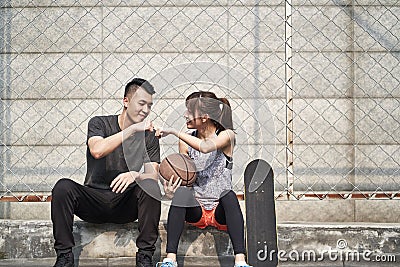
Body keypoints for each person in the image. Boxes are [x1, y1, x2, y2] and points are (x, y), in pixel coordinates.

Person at [51, 78, 162, 267]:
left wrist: (135, 175)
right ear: (126, 101)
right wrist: (132, 129)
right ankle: (64, 256)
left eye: (149, 105)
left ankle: (145, 257)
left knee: (150, 186)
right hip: (93, 200)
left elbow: (153, 174)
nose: (145, 110)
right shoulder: (99, 123)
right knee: (62, 187)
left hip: (124, 204)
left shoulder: (149, 135)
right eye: (141, 103)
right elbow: (97, 150)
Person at [155, 91, 252, 267]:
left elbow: (206, 147)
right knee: (182, 193)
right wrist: (170, 192)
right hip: (197, 209)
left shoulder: (227, 135)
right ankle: (170, 260)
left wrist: (174, 131)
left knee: (228, 195)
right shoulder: (186, 141)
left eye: (189, 111)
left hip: (220, 211)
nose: (185, 115)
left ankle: (240, 261)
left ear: (205, 117)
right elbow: (184, 177)